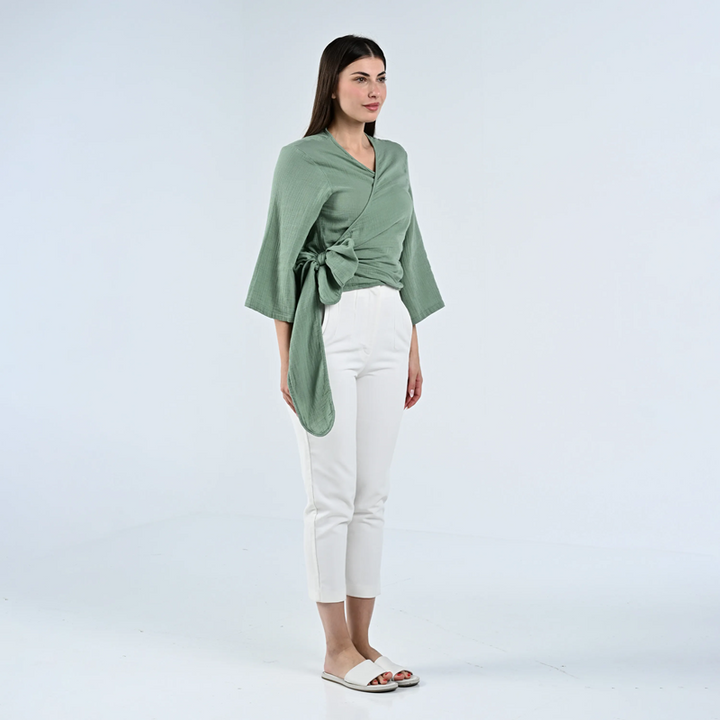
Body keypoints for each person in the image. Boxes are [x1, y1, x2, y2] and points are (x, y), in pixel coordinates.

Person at [245, 35, 444, 693]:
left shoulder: (395, 158)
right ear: (332, 84)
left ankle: (364, 641)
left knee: (372, 494)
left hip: (390, 323)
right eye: (360, 77)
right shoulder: (301, 159)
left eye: (381, 77)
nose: (374, 89)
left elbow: (408, 249)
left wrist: (412, 342)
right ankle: (336, 651)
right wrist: (286, 359)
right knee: (330, 495)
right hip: (328, 325)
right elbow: (280, 257)